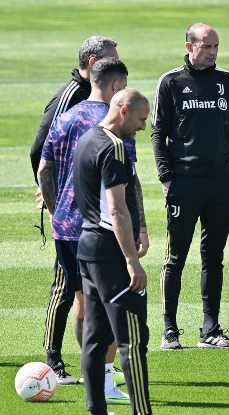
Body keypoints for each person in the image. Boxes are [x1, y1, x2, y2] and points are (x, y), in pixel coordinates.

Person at [74, 88, 186, 415]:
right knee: (132, 338)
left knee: (95, 337)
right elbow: (118, 209)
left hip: (86, 247)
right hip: (110, 252)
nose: (142, 126)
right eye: (140, 119)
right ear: (122, 110)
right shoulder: (114, 148)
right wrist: (132, 261)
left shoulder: (88, 138)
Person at [38, 58, 139, 402]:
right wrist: (138, 226)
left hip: (65, 227)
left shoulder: (65, 118)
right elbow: (129, 181)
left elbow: (44, 169)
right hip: (102, 226)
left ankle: (93, 373)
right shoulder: (115, 123)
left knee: (83, 302)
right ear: (115, 87)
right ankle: (105, 379)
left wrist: (56, 212)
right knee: (110, 303)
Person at [31, 36, 119, 383]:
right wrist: (51, 196)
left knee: (85, 290)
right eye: (112, 58)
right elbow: (40, 150)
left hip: (85, 210)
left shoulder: (98, 97)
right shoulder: (71, 97)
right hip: (70, 211)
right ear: (94, 60)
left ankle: (96, 366)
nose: (117, 63)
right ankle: (53, 359)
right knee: (65, 286)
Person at [153, 23, 229, 349]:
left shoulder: (227, 82)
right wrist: (166, 177)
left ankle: (211, 330)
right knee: (175, 257)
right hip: (185, 184)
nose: (213, 53)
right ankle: (169, 331)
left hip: (221, 184)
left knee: (213, 256)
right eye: (207, 47)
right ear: (189, 46)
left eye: (216, 47)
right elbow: (158, 132)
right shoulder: (171, 83)